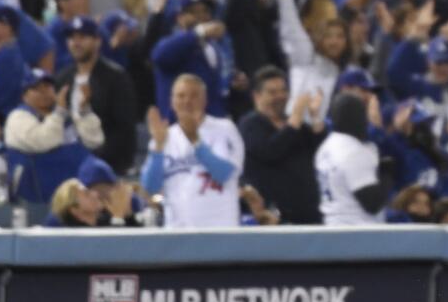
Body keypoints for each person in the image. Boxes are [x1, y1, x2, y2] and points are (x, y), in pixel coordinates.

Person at [141, 74, 245, 228]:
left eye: (194, 96)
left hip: (220, 228)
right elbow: (150, 188)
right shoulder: (163, 136)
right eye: (180, 96)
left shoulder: (224, 128)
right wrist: (158, 148)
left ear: (205, 100)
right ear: (172, 101)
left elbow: (225, 174)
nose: (187, 101)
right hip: (178, 231)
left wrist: (195, 140)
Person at [239, 66, 326, 224]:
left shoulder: (296, 125)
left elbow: (322, 152)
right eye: (272, 92)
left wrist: (315, 117)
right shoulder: (250, 124)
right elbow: (270, 151)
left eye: (283, 91)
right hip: (274, 219)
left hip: (309, 216)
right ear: (257, 96)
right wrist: (295, 119)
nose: (280, 96)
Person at [4, 67, 104, 203]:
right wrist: (59, 113)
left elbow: (95, 141)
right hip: (36, 197)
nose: (44, 92)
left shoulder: (65, 116)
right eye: (36, 89)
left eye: (48, 87)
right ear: (24, 95)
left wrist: (85, 111)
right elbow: (43, 142)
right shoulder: (18, 117)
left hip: (75, 195)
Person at [54, 16, 137, 174]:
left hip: (109, 165)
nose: (76, 43)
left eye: (82, 37)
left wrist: (93, 158)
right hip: (70, 163)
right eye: (72, 37)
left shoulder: (116, 77)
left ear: (97, 41)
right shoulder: (63, 78)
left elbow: (123, 129)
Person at [316, 92, 388, 225]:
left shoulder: (326, 147)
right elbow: (372, 203)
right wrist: (387, 173)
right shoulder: (353, 151)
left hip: (333, 226)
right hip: (358, 231)